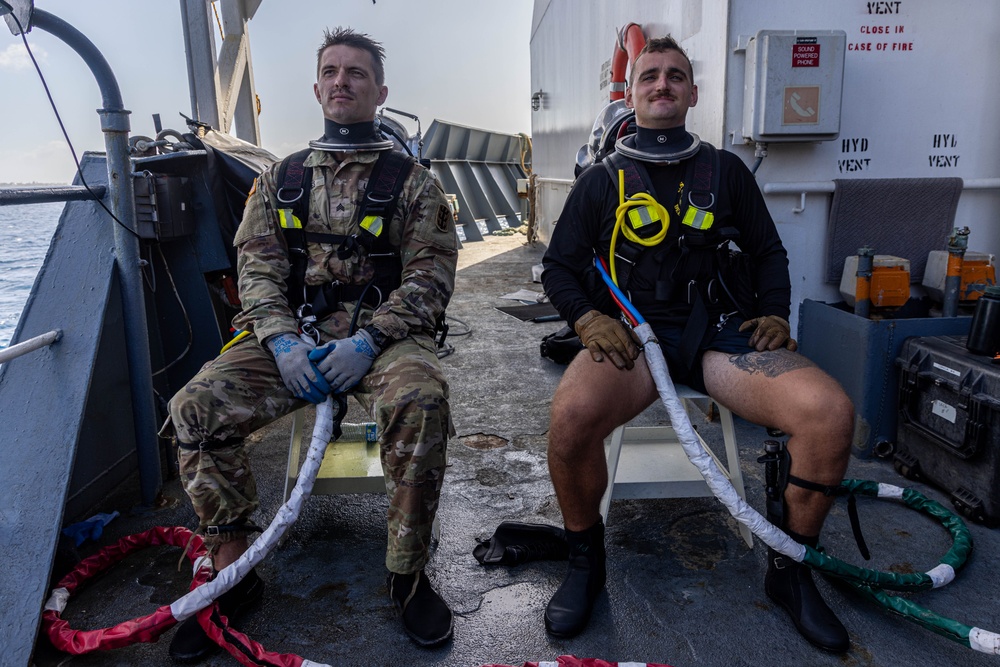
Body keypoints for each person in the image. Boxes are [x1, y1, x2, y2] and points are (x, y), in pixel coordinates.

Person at [540, 36, 855, 653]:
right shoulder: (602, 181)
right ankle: (585, 563)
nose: (662, 85)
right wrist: (583, 319)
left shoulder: (727, 171)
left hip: (719, 334)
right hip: (631, 336)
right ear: (631, 94)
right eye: (650, 76)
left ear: (692, 92)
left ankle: (790, 570)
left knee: (829, 415)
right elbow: (559, 265)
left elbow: (767, 252)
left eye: (675, 76)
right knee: (571, 419)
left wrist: (773, 312)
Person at [160, 27, 458, 662]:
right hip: (293, 337)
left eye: (356, 73)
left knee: (421, 398)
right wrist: (283, 343)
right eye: (331, 71)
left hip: (386, 339)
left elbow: (430, 282)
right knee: (195, 407)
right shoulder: (279, 182)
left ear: (380, 91)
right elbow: (258, 274)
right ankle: (235, 572)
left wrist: (370, 339)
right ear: (317, 86)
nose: (342, 80)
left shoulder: (415, 184)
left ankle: (406, 575)